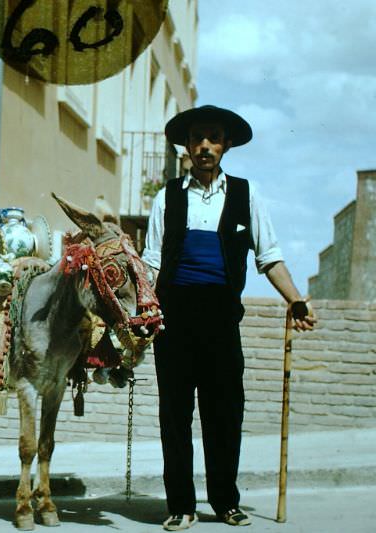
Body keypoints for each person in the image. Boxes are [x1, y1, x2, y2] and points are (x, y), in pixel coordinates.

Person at [141, 105, 317, 531]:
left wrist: (295, 300)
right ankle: (180, 505)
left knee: (224, 413)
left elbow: (269, 257)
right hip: (174, 321)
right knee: (176, 414)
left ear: (226, 145)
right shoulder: (167, 196)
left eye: (214, 138)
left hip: (221, 322)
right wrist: (138, 310)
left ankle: (225, 501)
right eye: (198, 138)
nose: (205, 146)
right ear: (186, 146)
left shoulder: (245, 194)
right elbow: (151, 264)